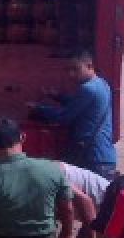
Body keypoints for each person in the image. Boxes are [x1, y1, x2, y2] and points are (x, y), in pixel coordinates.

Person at [28, 50, 117, 178]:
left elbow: (63, 117)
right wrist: (57, 96)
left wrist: (38, 109)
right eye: (68, 70)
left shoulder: (87, 89)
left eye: (76, 69)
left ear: (89, 66)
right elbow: (80, 104)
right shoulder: (102, 84)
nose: (71, 74)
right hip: (103, 156)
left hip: (92, 157)